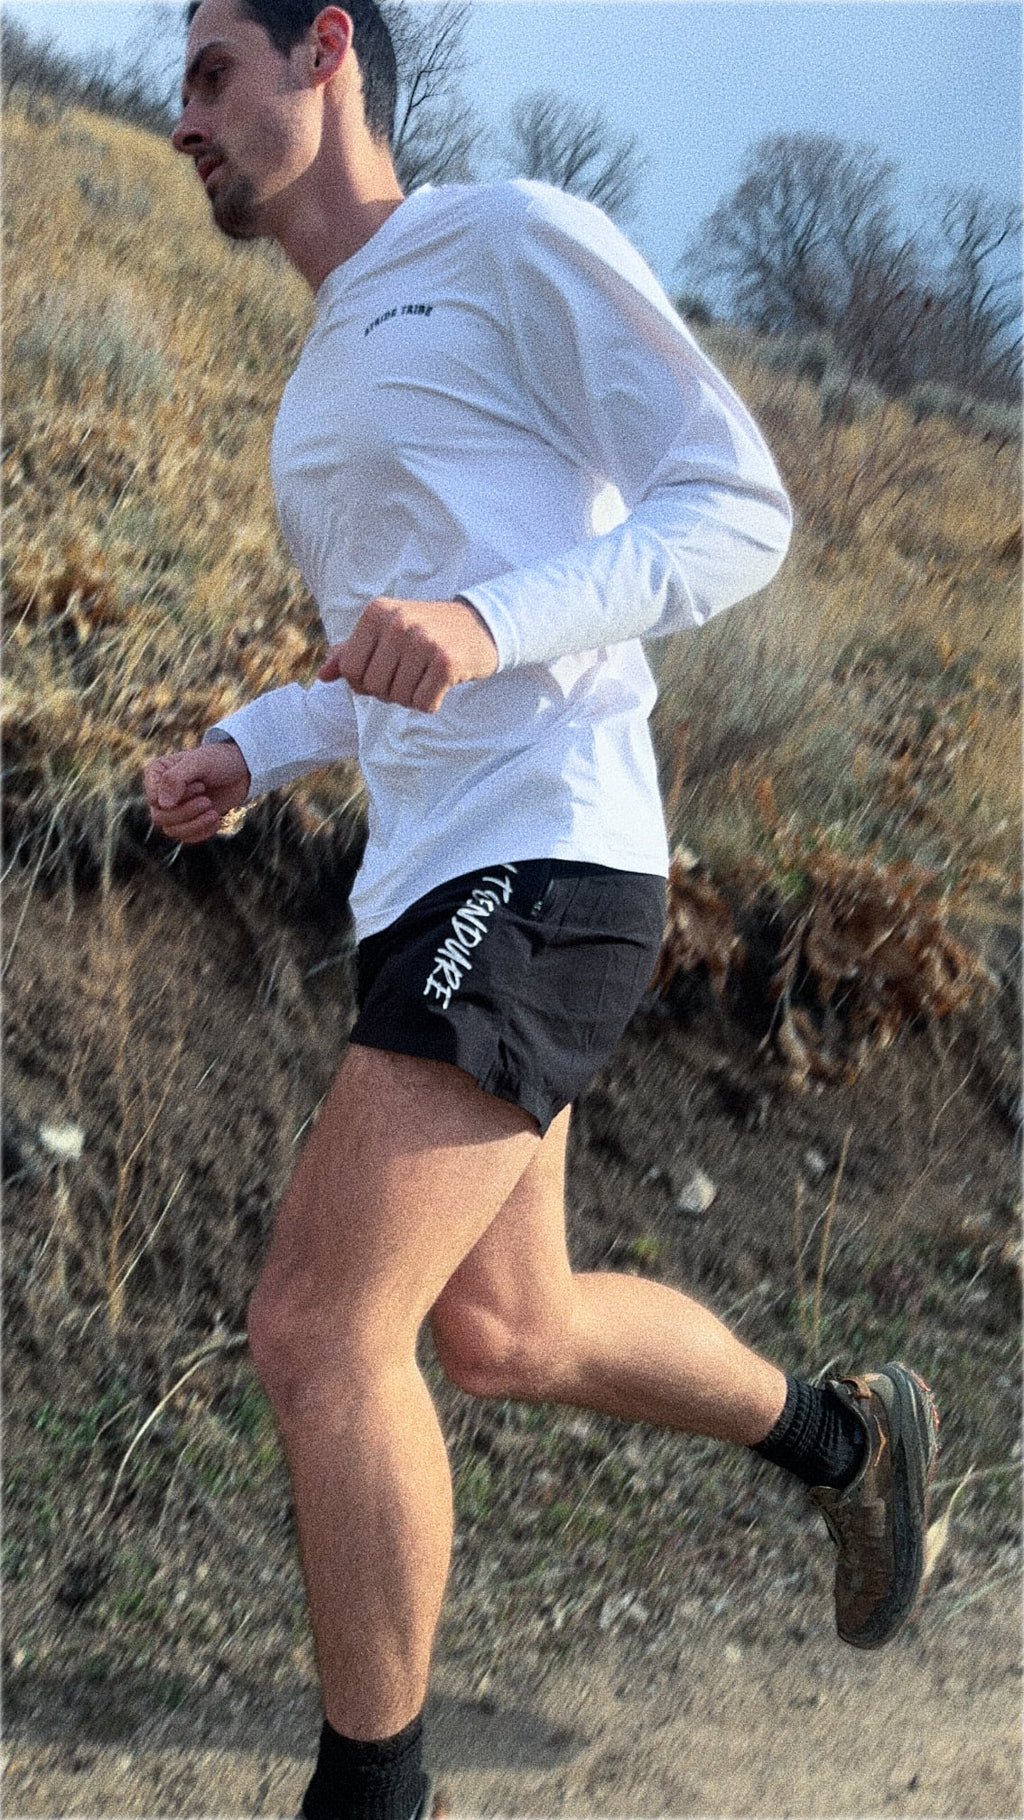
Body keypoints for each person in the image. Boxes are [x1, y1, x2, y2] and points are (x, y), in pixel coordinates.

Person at [146, 3, 940, 1815]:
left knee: (315, 1328)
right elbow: (396, 658)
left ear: (325, 51)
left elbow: (734, 506)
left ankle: (375, 1798)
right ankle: (847, 1435)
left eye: (212, 72)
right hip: (435, 863)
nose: (181, 114)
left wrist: (500, 622)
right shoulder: (326, 369)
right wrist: (253, 745)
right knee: (508, 1333)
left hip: (550, 851)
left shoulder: (502, 239)